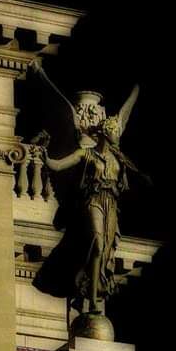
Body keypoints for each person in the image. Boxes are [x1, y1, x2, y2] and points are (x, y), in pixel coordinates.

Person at [30, 65, 142, 322]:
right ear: (106, 132)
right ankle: (90, 296)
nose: (117, 134)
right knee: (97, 241)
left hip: (110, 203)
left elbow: (127, 110)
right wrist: (47, 157)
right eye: (114, 131)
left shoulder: (117, 158)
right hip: (93, 200)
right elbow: (59, 165)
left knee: (102, 253)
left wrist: (138, 86)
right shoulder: (86, 153)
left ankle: (92, 295)